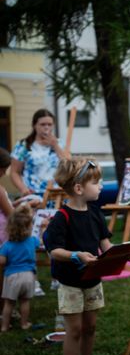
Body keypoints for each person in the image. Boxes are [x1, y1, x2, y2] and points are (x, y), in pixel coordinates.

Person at [44, 157, 112, 355]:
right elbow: (54, 250)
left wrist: (122, 253)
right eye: (96, 182)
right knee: (74, 330)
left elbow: (106, 245)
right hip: (70, 283)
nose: (101, 186)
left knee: (90, 327)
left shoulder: (96, 213)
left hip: (93, 280)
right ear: (79, 188)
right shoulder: (61, 218)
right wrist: (76, 256)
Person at [10, 108, 66, 294]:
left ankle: (57, 276)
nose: (46, 128)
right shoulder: (24, 145)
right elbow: (15, 172)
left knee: (57, 236)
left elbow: (69, 165)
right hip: (33, 198)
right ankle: (32, 280)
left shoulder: (58, 143)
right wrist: (23, 189)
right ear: (35, 125)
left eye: (50, 124)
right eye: (43, 124)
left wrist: (56, 146)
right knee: (31, 237)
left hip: (56, 197)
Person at [0, 204, 41, 332]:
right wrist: (43, 228)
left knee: (9, 303)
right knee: (24, 301)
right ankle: (24, 324)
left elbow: (2, 261)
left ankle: (4, 326)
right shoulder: (32, 240)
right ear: (29, 227)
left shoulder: (7, 245)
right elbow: (40, 243)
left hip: (12, 276)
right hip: (29, 276)